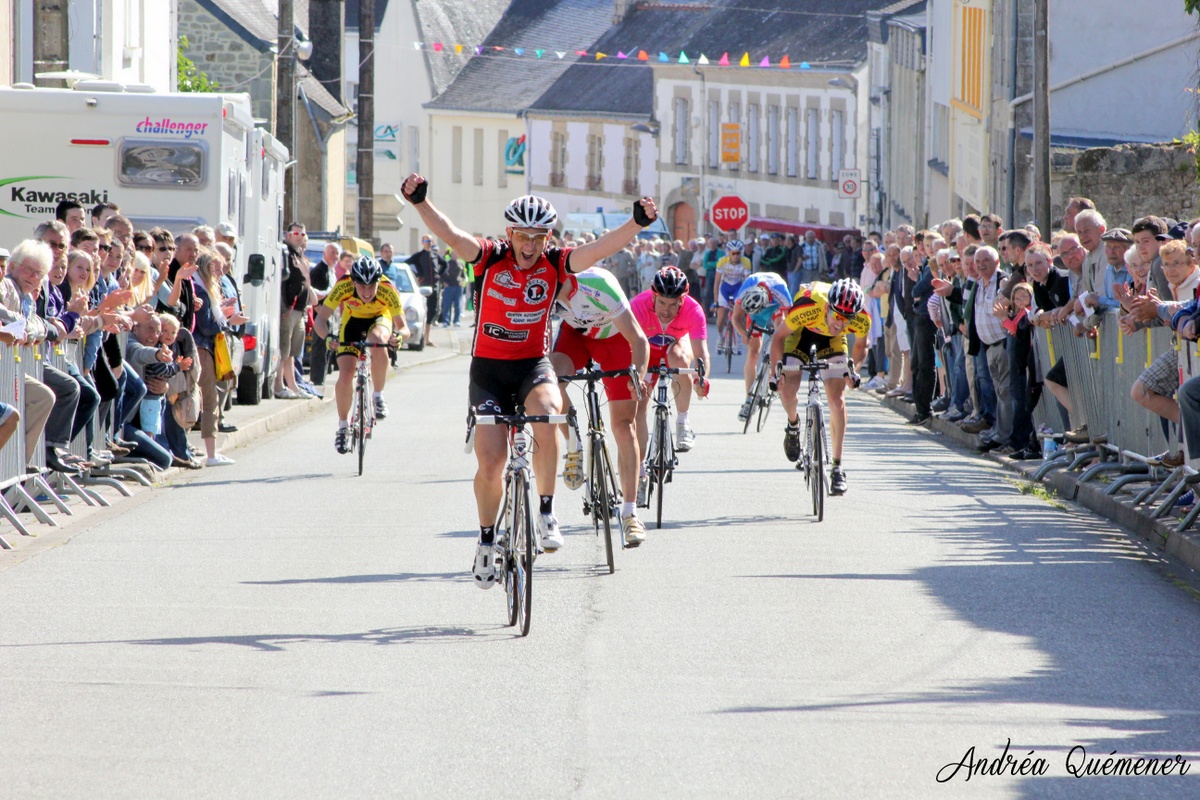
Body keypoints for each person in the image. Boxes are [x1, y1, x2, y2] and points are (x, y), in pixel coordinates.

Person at [401, 172, 658, 588]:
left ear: (547, 239)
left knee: (549, 411)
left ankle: (546, 510)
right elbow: (452, 235)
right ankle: (486, 541)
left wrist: (637, 224)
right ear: (510, 234)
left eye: (538, 237)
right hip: (487, 370)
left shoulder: (556, 264)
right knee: (491, 462)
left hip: (531, 365)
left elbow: (598, 249)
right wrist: (420, 202)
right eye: (523, 236)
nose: (530, 245)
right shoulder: (489, 258)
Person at [549, 266, 651, 545]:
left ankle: (630, 514)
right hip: (576, 337)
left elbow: (639, 339)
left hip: (614, 340)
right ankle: (574, 445)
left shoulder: (600, 285)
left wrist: (637, 377)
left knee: (623, 425)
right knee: (550, 381)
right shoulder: (542, 292)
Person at [769, 278, 869, 496]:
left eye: (847, 319)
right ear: (827, 307)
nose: (841, 323)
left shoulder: (861, 318)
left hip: (831, 343)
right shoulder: (808, 305)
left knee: (837, 400)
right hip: (800, 334)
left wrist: (854, 371)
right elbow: (778, 338)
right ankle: (793, 424)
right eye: (837, 316)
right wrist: (775, 373)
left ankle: (837, 466)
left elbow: (861, 347)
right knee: (787, 388)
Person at [313, 255, 410, 454]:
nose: (366, 292)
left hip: (379, 319)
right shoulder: (344, 285)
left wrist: (399, 337)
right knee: (346, 373)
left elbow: (403, 327)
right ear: (354, 282)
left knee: (378, 340)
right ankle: (342, 427)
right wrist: (327, 337)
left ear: (378, 283)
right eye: (362, 287)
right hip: (352, 324)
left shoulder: (387, 288)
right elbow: (320, 321)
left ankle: (378, 395)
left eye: (371, 286)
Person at [631, 266, 711, 494]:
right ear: (653, 296)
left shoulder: (693, 310)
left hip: (675, 348)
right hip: (645, 352)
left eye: (674, 303)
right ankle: (641, 469)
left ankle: (683, 422)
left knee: (679, 360)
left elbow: (701, 353)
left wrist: (701, 378)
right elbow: (627, 345)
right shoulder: (638, 305)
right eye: (662, 302)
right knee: (639, 407)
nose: (667, 310)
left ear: (683, 300)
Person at [730, 272, 792, 421]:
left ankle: (773, 373)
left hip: (776, 307)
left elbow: (790, 322)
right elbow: (735, 318)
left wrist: (780, 339)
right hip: (755, 315)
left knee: (779, 333)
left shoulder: (781, 291)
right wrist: (744, 334)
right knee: (753, 353)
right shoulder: (746, 289)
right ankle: (749, 399)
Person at [405, 234, 445, 347]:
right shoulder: (419, 255)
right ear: (422, 242)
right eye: (427, 240)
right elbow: (407, 263)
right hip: (423, 288)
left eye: (431, 241)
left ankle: (427, 338)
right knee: (422, 311)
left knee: (432, 312)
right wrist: (418, 275)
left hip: (434, 288)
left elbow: (445, 265)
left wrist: (439, 276)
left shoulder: (435, 255)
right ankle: (421, 337)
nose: (429, 242)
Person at [714, 240, 750, 351]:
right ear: (729, 253)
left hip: (738, 288)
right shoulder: (722, 261)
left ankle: (739, 338)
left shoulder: (746, 262)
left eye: (738, 253)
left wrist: (746, 300)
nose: (735, 256)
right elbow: (716, 282)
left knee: (739, 315)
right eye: (733, 253)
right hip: (725, 288)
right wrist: (716, 301)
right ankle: (720, 337)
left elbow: (747, 283)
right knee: (721, 318)